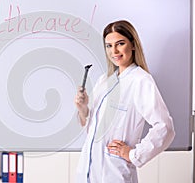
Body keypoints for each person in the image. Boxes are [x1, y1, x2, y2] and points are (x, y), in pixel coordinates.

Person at [74, 20, 175, 183]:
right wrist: (83, 109)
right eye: (108, 45)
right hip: (87, 173)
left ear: (133, 45)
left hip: (115, 174)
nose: (114, 51)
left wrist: (134, 154)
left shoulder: (141, 80)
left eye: (120, 44)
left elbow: (165, 127)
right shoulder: (104, 81)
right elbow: (93, 131)